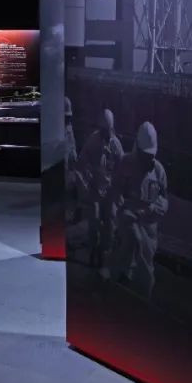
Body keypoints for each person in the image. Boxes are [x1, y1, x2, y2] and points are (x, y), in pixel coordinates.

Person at [104, 121, 169, 298]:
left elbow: (164, 199)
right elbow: (115, 188)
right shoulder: (125, 163)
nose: (147, 158)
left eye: (150, 155)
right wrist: (119, 205)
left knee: (146, 264)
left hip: (149, 225)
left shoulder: (159, 171)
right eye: (144, 154)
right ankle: (114, 283)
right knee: (127, 244)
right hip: (129, 216)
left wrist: (152, 209)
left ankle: (142, 297)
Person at [75, 107, 124, 267]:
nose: (106, 133)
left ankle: (104, 252)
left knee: (110, 222)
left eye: (108, 130)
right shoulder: (93, 140)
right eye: (104, 130)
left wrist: (119, 190)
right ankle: (93, 251)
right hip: (95, 188)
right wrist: (86, 176)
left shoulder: (116, 145)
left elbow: (122, 167)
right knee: (94, 221)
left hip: (110, 191)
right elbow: (81, 161)